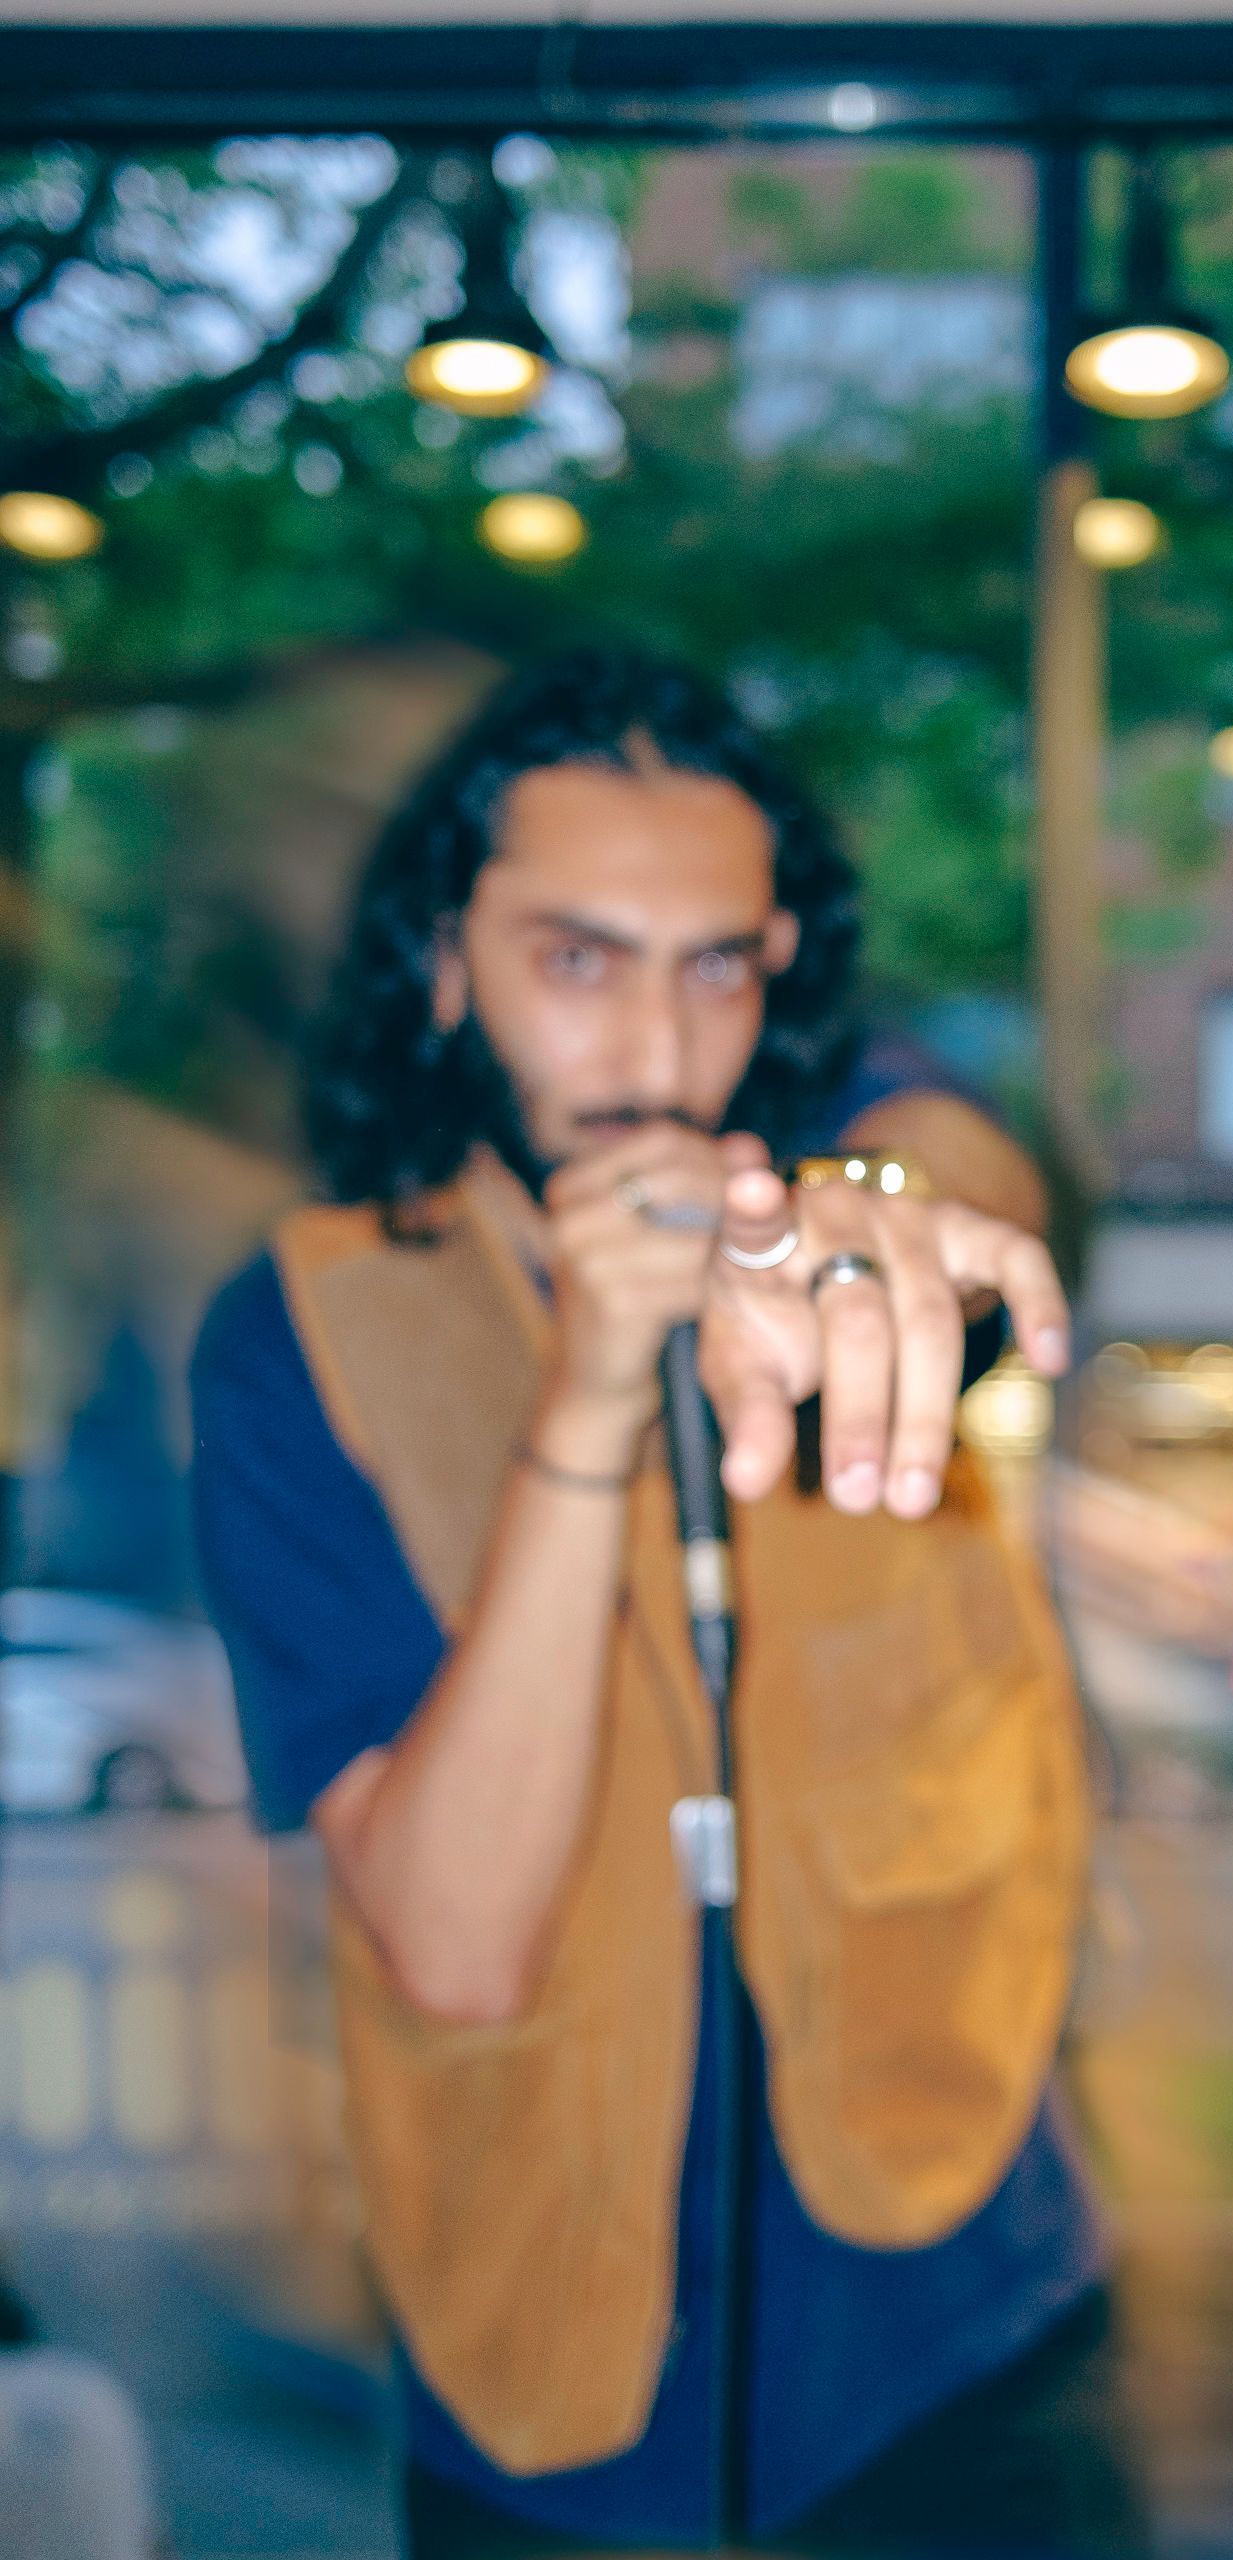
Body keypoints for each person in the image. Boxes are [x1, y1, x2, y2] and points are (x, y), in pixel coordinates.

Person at [190, 647, 1146, 2558]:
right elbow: (447, 1937)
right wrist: (586, 1409)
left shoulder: (838, 1194)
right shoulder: (304, 1330)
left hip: (970, 2318)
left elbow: (966, 1179)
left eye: (718, 966)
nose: (652, 1049)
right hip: (541, 2381)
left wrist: (884, 1218)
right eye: (575, 959)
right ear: (447, 961)